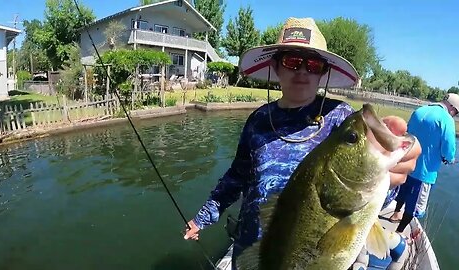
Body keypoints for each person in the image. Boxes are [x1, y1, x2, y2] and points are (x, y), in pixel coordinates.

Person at [183, 17, 421, 268]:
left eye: (314, 64)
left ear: (324, 72)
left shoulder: (341, 118)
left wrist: (397, 167)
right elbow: (237, 176)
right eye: (292, 61)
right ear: (276, 67)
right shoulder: (258, 119)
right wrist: (203, 217)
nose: (303, 71)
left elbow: (368, 197)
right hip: (254, 249)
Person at [389, 93, 458, 234]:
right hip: (425, 172)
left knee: (402, 192)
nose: (455, 114)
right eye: (456, 111)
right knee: (413, 206)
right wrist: (449, 159)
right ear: (451, 107)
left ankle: (395, 213)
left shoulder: (420, 110)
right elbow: (448, 148)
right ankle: (399, 233)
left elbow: (408, 133)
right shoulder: (447, 120)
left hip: (405, 165)